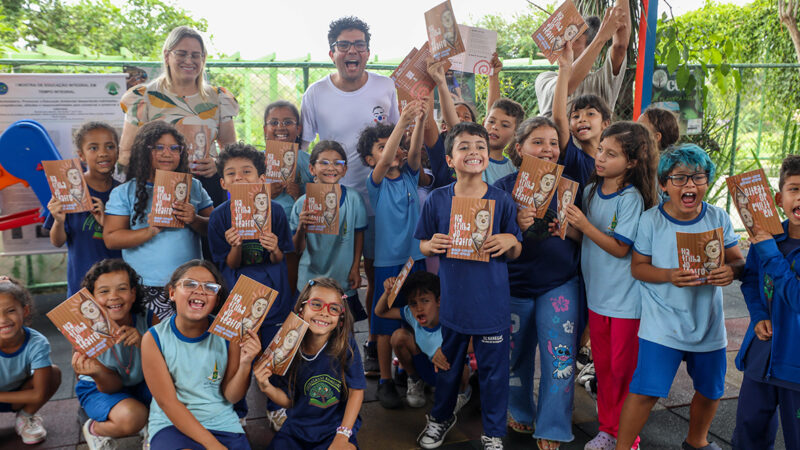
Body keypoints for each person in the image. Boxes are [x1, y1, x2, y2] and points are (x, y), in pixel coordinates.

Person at [615, 144, 745, 450]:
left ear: (707, 182)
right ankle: (622, 448)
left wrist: (731, 271)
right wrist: (669, 275)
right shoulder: (651, 220)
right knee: (646, 391)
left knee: (711, 390)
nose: (690, 184)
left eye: (698, 177)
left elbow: (738, 261)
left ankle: (696, 441)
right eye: (679, 178)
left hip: (708, 324)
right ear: (663, 184)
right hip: (661, 325)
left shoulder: (717, 217)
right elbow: (638, 268)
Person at [300, 17, 399, 373]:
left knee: (372, 272)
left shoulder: (386, 86)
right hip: (332, 204)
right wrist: (308, 193)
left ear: (368, 52)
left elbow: (396, 138)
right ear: (332, 53)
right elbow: (303, 149)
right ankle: (322, 345)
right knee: (332, 274)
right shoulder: (315, 93)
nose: (351, 51)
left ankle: (372, 342)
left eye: (359, 44)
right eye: (344, 45)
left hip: (378, 201)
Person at [415, 122, 522, 449]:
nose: (473, 151)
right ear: (449, 160)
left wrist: (510, 241)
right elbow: (423, 243)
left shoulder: (502, 201)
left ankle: (494, 431)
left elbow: (516, 249)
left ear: (488, 155)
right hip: (453, 307)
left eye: (480, 146)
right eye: (464, 147)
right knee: (448, 369)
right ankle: (441, 418)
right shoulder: (437, 199)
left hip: (492, 308)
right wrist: (430, 245)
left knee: (494, 374)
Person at [561, 122, 659, 450]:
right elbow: (586, 239)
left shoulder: (631, 197)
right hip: (597, 298)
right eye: (600, 150)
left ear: (632, 162)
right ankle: (607, 429)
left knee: (622, 370)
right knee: (603, 369)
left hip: (626, 303)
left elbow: (619, 247)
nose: (600, 157)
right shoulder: (591, 190)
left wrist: (584, 224)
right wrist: (564, 227)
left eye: (611, 154)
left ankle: (628, 436)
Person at [493, 116, 584, 448]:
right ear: (519, 148)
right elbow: (489, 243)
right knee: (514, 357)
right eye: (538, 142)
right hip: (513, 287)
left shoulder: (569, 187)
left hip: (559, 284)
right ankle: (520, 410)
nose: (548, 149)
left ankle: (553, 427)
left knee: (559, 359)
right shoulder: (501, 189)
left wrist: (568, 228)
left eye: (554, 143)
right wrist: (515, 225)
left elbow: (584, 237)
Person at [140, 260, 258, 450]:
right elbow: (168, 403)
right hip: (171, 423)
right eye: (190, 284)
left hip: (222, 422)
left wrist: (246, 364)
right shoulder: (153, 339)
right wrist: (213, 446)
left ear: (217, 300)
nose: (200, 291)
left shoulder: (229, 335)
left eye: (210, 287)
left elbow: (232, 396)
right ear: (172, 293)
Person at [104, 121, 214, 319]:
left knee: (189, 333)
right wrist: (151, 230)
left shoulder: (194, 186)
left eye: (174, 148)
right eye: (159, 147)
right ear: (143, 152)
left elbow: (213, 229)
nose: (167, 153)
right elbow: (111, 238)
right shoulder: (124, 192)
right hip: (146, 284)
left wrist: (194, 219)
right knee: (150, 335)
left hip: (190, 283)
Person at [357, 100, 428, 409]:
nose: (393, 150)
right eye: (383, 146)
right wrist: (403, 122)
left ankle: (409, 371)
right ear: (369, 159)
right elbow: (386, 161)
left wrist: (420, 120)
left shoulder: (411, 176)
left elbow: (414, 152)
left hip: (415, 260)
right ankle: (385, 380)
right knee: (385, 323)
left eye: (396, 144)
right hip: (388, 262)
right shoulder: (375, 183)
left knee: (415, 317)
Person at [118, 25, 238, 206]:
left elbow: (230, 149)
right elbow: (126, 153)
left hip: (207, 187)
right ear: (167, 56)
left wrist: (218, 163)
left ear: (203, 58)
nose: (189, 60)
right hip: (156, 186)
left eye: (196, 55)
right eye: (181, 53)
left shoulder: (219, 98)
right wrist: (151, 170)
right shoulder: (143, 97)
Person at [732, 155, 800, 449]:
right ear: (778, 198)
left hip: (796, 365)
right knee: (748, 431)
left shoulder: (767, 244)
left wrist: (770, 253)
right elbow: (750, 280)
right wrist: (759, 314)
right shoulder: (767, 236)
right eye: (794, 189)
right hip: (762, 357)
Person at [254, 277, 366, 449]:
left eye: (334, 308)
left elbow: (356, 391)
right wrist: (265, 386)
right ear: (301, 309)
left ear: (341, 318)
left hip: (335, 429)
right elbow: (289, 401)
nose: (324, 312)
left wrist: (343, 435)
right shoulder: (286, 348)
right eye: (316, 304)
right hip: (296, 429)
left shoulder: (345, 345)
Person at [74, 259, 157, 449]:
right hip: (101, 388)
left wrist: (145, 343)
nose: (114, 296)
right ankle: (95, 429)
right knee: (133, 417)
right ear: (91, 298)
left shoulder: (149, 317)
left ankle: (155, 427)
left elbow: (168, 364)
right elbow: (111, 387)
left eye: (122, 289)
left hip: (143, 383)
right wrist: (96, 372)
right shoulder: (82, 332)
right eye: (104, 291)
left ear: (133, 293)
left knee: (180, 392)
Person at [290, 140, 368, 322]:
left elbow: (359, 235)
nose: (331, 167)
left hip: (342, 280)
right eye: (324, 162)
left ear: (344, 169)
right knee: (309, 327)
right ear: (312, 169)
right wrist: (301, 227)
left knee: (344, 327)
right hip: (310, 281)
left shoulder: (354, 199)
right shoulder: (302, 204)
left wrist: (355, 268)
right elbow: (296, 249)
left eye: (337, 163)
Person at [44, 122, 122, 296]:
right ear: (81, 155)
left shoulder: (124, 192)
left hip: (118, 287)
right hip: (82, 286)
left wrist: (107, 223)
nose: (103, 153)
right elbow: (57, 242)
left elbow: (131, 241)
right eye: (93, 148)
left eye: (110, 146)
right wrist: (58, 221)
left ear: (118, 151)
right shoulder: (68, 190)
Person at [374, 271, 471, 410]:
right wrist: (387, 293)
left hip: (449, 369)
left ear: (439, 301)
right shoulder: (410, 313)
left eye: (425, 301)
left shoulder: (450, 318)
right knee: (398, 336)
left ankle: (461, 393)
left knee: (463, 368)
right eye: (413, 303)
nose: (419, 308)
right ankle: (415, 380)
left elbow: (474, 343)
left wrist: (446, 350)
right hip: (426, 368)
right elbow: (380, 312)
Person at [535, 0, 630, 117]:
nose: (567, 42)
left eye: (575, 40)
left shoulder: (601, 81)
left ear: (589, 47)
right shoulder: (544, 79)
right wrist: (601, 37)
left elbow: (620, 46)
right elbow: (566, 86)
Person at [0, 278, 61, 445]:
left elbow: (38, 394)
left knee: (54, 373)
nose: (3, 319)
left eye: (10, 310)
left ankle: (25, 417)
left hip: (19, 395)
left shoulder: (37, 343)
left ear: (25, 310)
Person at [263, 100, 314, 294]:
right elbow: (235, 196)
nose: (280, 127)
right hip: (264, 233)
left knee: (292, 285)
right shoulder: (255, 160)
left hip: (297, 236)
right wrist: (265, 192)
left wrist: (300, 194)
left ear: (298, 129)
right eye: (274, 122)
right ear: (265, 129)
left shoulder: (309, 162)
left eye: (288, 122)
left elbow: (321, 200)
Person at [482, 98, 525, 185]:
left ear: (516, 134)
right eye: (491, 121)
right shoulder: (470, 158)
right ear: (484, 123)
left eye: (504, 125)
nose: (495, 127)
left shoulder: (514, 170)